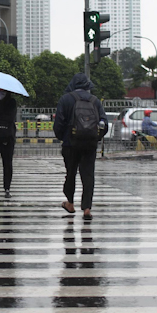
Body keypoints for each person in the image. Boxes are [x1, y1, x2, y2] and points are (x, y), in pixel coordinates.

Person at [53, 73, 108, 218]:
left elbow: (58, 123)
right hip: (89, 144)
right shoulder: (95, 101)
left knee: (70, 174)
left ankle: (70, 203)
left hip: (70, 144)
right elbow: (104, 123)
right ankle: (87, 208)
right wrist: (95, 137)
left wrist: (62, 137)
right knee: (88, 175)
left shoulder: (65, 99)